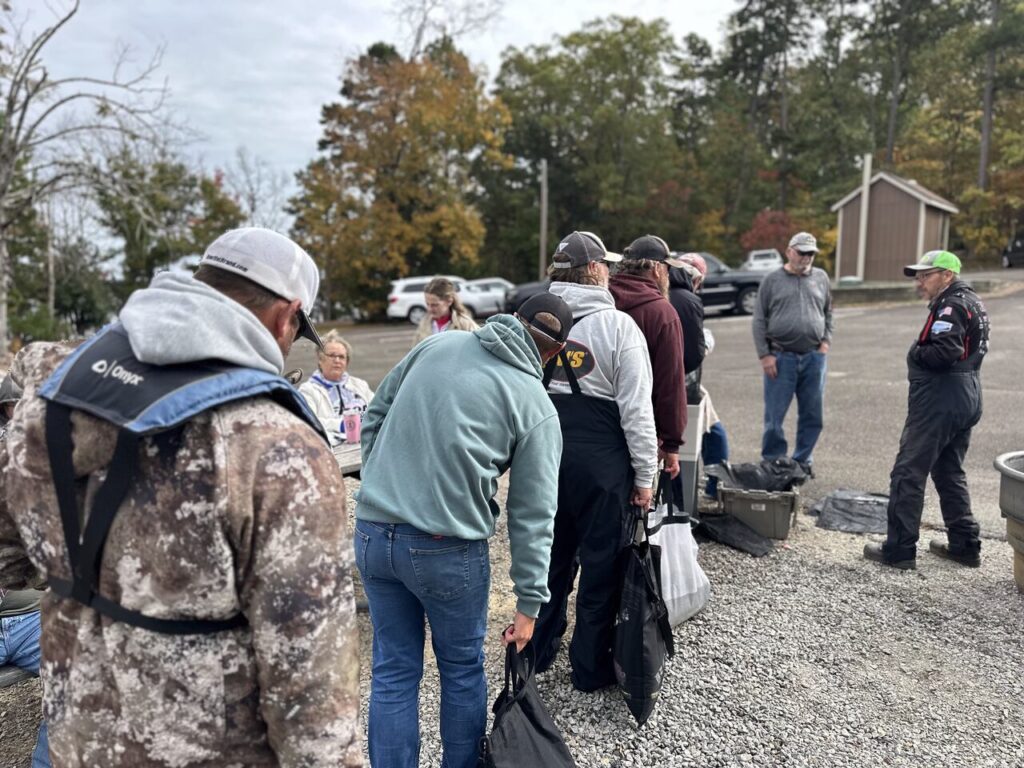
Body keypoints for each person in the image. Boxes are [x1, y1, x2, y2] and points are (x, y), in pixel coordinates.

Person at [0, 227, 363, 767]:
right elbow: (310, 700)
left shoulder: (59, 392)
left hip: (77, 740)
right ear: (287, 317)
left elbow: (8, 556)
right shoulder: (278, 451)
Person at [354, 293, 572, 768]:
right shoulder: (535, 405)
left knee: (393, 671)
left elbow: (374, 416)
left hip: (372, 532)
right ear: (557, 352)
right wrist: (529, 605)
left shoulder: (438, 345)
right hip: (445, 547)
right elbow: (533, 514)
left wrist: (381, 484)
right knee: (460, 671)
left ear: (510, 320)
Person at [532, 230, 659, 692]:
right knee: (601, 567)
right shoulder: (618, 328)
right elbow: (637, 411)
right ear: (593, 270)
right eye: (605, 264)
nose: (609, 271)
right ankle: (588, 668)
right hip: (602, 467)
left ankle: (536, 652)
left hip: (544, 457)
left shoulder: (534, 319)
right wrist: (645, 476)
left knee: (548, 559)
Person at [864, 250, 990, 570]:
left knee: (908, 472)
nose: (920, 282)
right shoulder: (973, 301)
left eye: (926, 275)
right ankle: (965, 545)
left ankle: (899, 550)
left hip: (940, 398)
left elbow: (943, 353)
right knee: (949, 471)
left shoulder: (951, 305)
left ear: (947, 275)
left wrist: (916, 352)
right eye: (918, 276)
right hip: (968, 393)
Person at [752, 231, 834, 475]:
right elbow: (759, 319)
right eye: (802, 252)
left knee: (812, 414)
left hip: (813, 357)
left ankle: (802, 460)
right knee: (774, 416)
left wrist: (825, 343)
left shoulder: (821, 277)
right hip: (780, 357)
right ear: (789, 251)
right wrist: (765, 355)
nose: (806, 257)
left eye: (811, 254)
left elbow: (828, 312)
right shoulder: (772, 280)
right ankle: (773, 461)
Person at [608, 234, 687, 480]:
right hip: (641, 431)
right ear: (656, 269)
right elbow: (670, 383)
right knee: (637, 498)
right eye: (667, 269)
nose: (668, 275)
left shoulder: (602, 299)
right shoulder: (662, 313)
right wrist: (671, 443)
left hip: (595, 426)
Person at [299, 329, 375, 442]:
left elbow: (376, 411)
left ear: (347, 362)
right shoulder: (308, 390)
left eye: (342, 357)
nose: (337, 360)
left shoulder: (360, 385)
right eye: (332, 355)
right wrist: (341, 425)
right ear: (320, 359)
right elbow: (308, 422)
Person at [667, 254, 708, 404]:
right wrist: (707, 343)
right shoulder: (690, 301)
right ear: (697, 279)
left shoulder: (653, 291)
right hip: (679, 380)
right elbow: (694, 355)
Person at [413, 276, 478, 343]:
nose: (429, 309)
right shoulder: (424, 323)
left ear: (449, 301)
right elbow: (416, 348)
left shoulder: (465, 324)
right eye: (427, 304)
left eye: (435, 305)